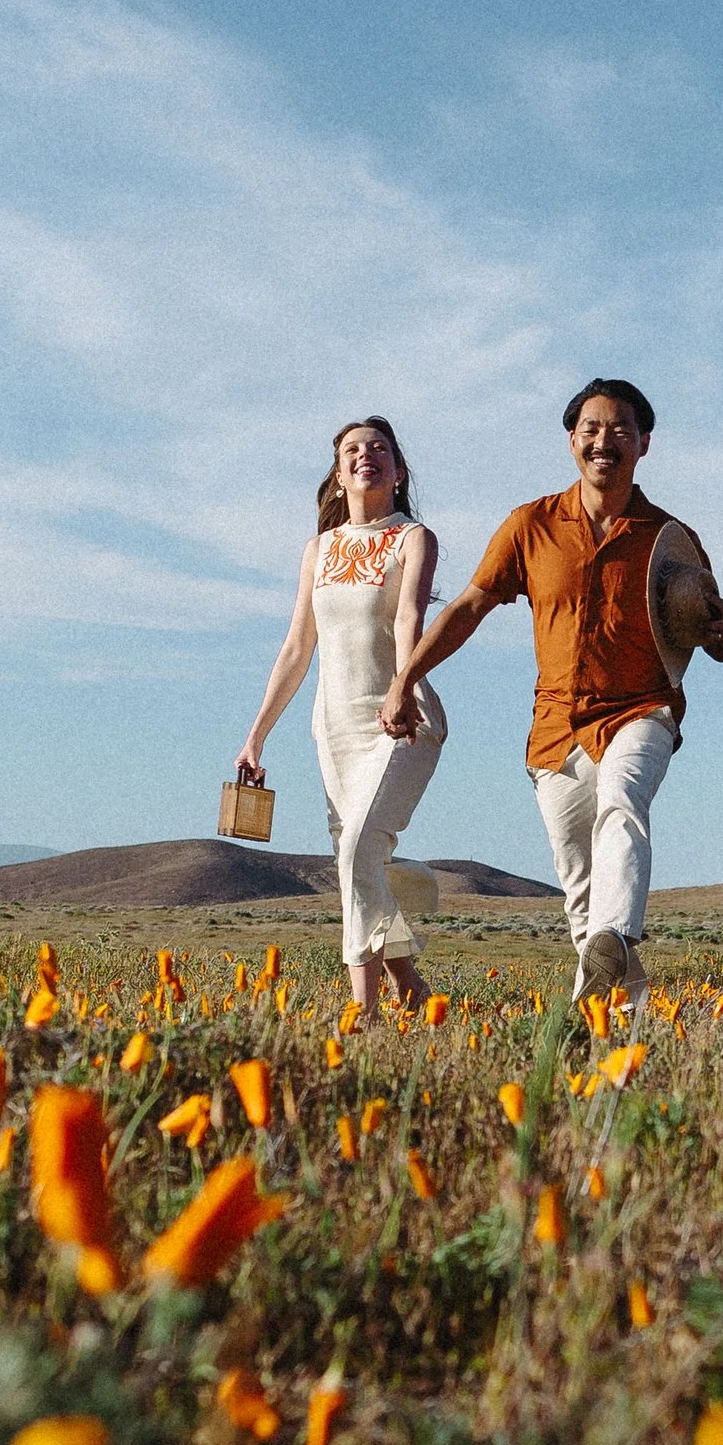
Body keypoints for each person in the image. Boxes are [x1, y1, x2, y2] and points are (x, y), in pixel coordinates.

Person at [379, 380, 723, 1002]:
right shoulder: (531, 525)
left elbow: (703, 630)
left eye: (620, 429)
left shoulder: (669, 537)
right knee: (581, 893)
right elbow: (469, 606)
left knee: (622, 801)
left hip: (642, 710)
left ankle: (617, 933)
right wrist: (405, 678)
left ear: (644, 444)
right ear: (572, 440)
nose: (604, 441)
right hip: (556, 729)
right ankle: (615, 1022)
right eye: (591, 429)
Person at [235, 416, 444, 1011]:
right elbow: (297, 647)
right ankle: (410, 985)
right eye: (352, 449)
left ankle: (363, 1009)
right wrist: (256, 736)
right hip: (333, 727)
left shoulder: (412, 538)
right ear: (338, 475)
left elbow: (408, 620)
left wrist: (403, 688)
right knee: (357, 860)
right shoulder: (319, 550)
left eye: (378, 448)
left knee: (357, 850)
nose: (364, 455)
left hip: (400, 718)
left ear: (398, 472)